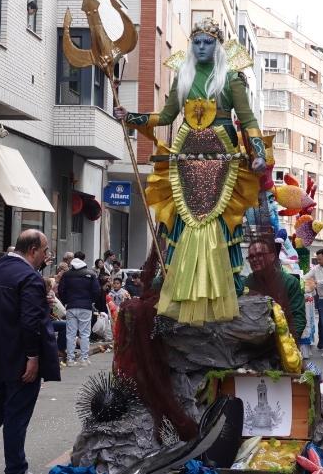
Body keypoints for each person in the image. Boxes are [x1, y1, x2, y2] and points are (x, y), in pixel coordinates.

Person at [111, 17, 268, 326]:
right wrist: (131, 117)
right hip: (185, 162)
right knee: (185, 229)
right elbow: (167, 116)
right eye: (196, 42)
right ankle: (183, 294)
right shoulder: (182, 78)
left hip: (224, 162)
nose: (201, 47)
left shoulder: (232, 79)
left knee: (223, 229)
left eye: (207, 42)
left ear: (218, 46)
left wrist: (259, 153)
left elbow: (249, 121)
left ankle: (227, 293)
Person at [0, 230, 61, 474]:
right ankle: (16, 468)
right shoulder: (29, 277)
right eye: (45, 251)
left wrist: (39, 303)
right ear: (33, 250)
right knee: (16, 415)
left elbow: (4, 309)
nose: (46, 256)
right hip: (18, 357)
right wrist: (32, 357)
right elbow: (29, 322)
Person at [241, 240, 306, 340]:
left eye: (260, 255)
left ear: (272, 257)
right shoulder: (246, 283)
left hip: (282, 343)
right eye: (251, 257)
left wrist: (289, 345)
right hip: (252, 345)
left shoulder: (290, 282)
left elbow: (298, 318)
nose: (255, 259)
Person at [57, 256, 104, 367]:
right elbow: (97, 291)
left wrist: (66, 301)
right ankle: (84, 359)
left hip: (71, 306)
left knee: (71, 334)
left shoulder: (66, 275)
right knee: (85, 334)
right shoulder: (91, 274)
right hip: (86, 307)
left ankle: (70, 359)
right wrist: (91, 301)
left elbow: (61, 290)